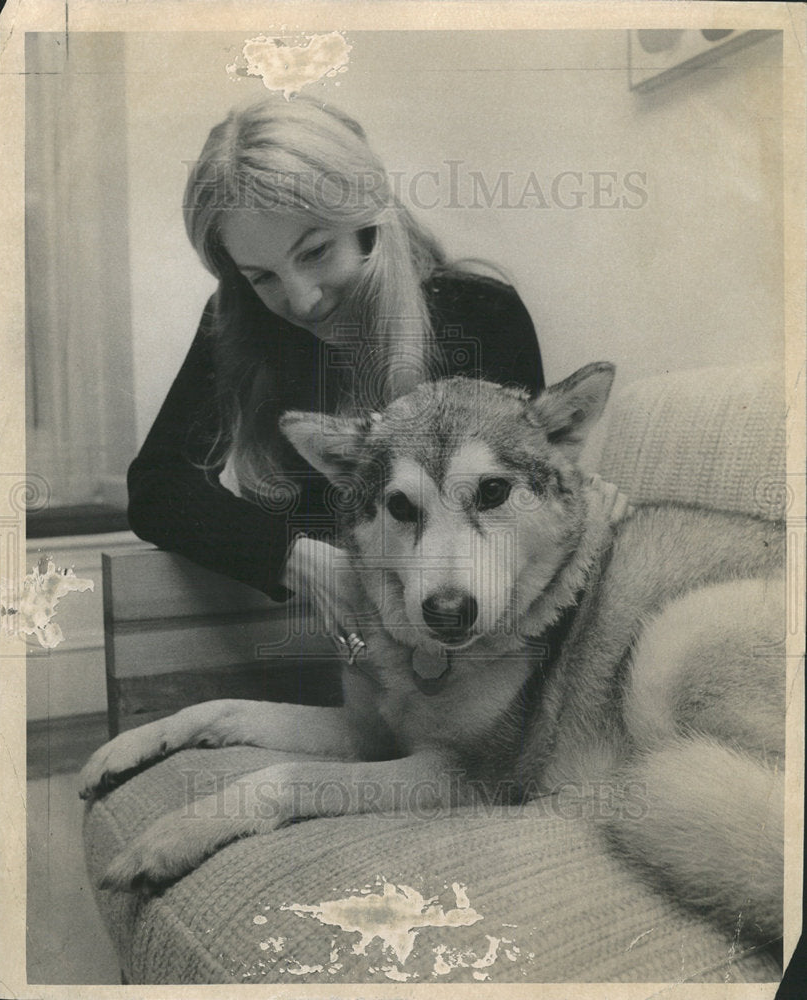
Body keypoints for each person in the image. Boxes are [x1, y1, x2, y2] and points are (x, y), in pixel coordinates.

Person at [127, 94, 545, 634]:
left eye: (315, 251)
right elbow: (158, 486)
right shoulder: (238, 316)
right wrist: (289, 556)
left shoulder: (480, 314)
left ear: (367, 219)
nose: (302, 301)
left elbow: (520, 507)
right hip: (310, 639)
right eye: (263, 276)